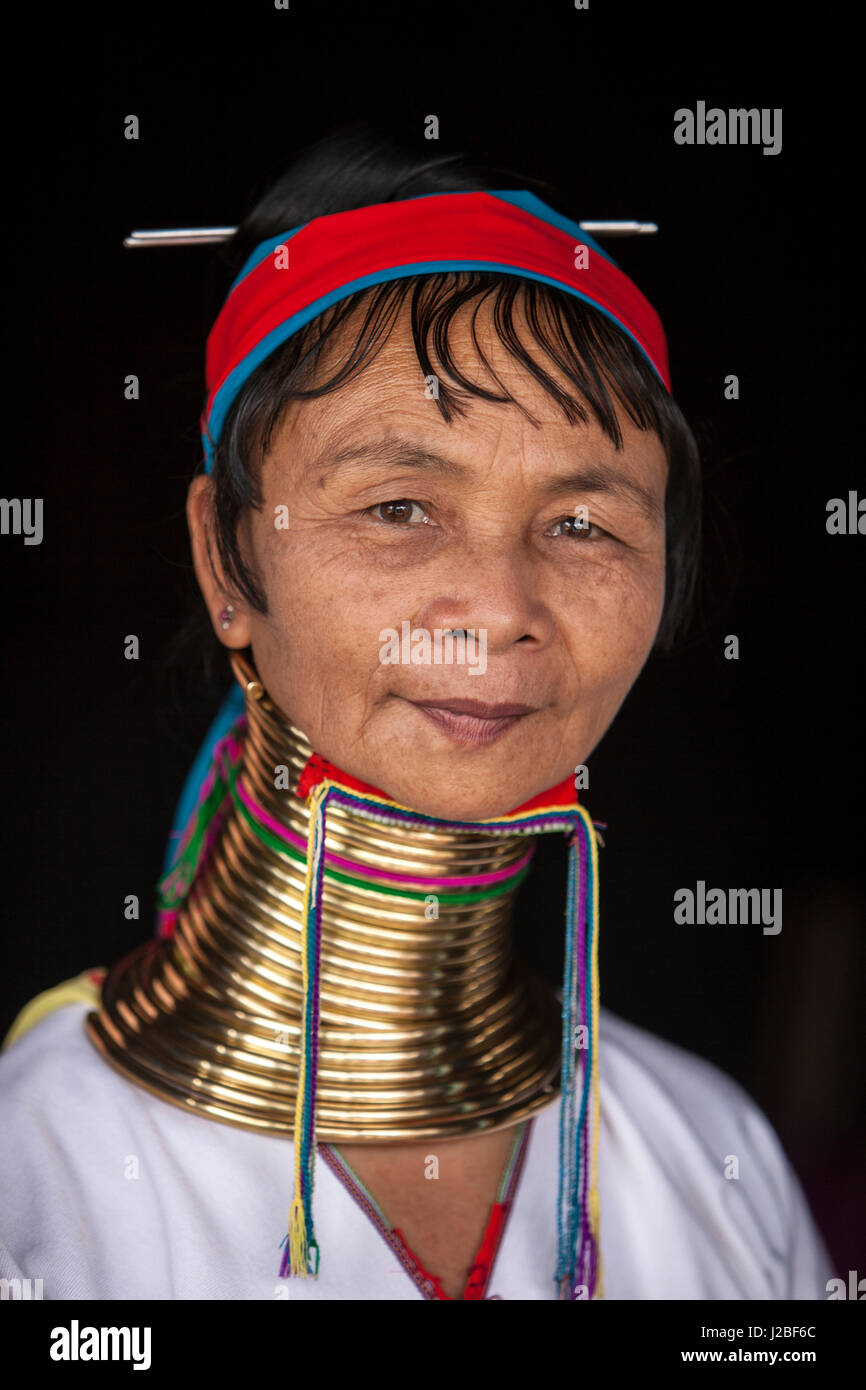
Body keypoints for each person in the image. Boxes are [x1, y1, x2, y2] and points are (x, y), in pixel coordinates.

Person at [0, 127, 834, 1301]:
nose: (499, 610)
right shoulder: (36, 1180)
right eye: (398, 506)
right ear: (226, 560)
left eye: (583, 524)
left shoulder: (710, 1164)